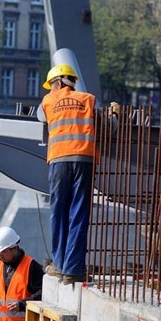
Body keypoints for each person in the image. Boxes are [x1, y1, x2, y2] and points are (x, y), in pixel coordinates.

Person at [37, 48, 118, 285]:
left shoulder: (48, 101)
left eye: (51, 84)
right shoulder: (89, 100)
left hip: (59, 160)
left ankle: (59, 266)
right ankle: (73, 269)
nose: (51, 88)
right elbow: (109, 128)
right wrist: (114, 114)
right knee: (79, 212)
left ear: (58, 82)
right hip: (84, 159)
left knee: (58, 212)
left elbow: (41, 119)